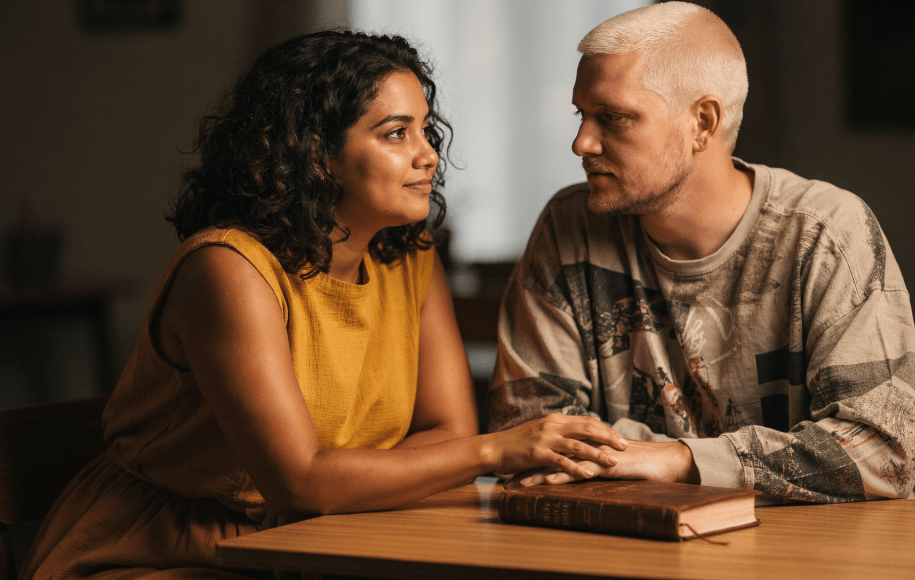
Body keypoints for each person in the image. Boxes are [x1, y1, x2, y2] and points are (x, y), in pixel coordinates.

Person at [22, 30, 628, 579]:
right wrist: (499, 449)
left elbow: (446, 432)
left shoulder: (409, 254)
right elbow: (303, 482)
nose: (427, 155)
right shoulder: (228, 270)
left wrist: (357, 480)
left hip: (328, 534)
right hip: (159, 552)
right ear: (314, 152)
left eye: (425, 129)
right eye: (396, 133)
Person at [488, 2, 915, 505]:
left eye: (612, 118)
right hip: (637, 548)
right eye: (581, 115)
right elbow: (529, 441)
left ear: (703, 121)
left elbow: (883, 455)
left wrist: (677, 459)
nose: (581, 142)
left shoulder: (826, 234)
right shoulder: (568, 228)